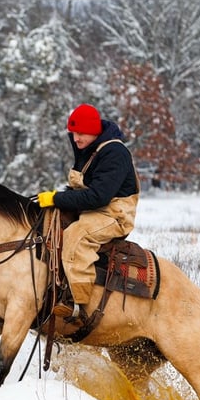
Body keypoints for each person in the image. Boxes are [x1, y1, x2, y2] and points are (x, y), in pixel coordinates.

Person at [36, 103, 140, 322]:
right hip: (93, 211)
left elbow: (98, 197)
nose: (76, 139)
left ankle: (76, 304)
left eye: (80, 133)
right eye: (73, 133)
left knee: (77, 235)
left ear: (94, 131)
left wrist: (56, 198)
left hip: (114, 215)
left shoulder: (115, 152)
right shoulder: (89, 150)